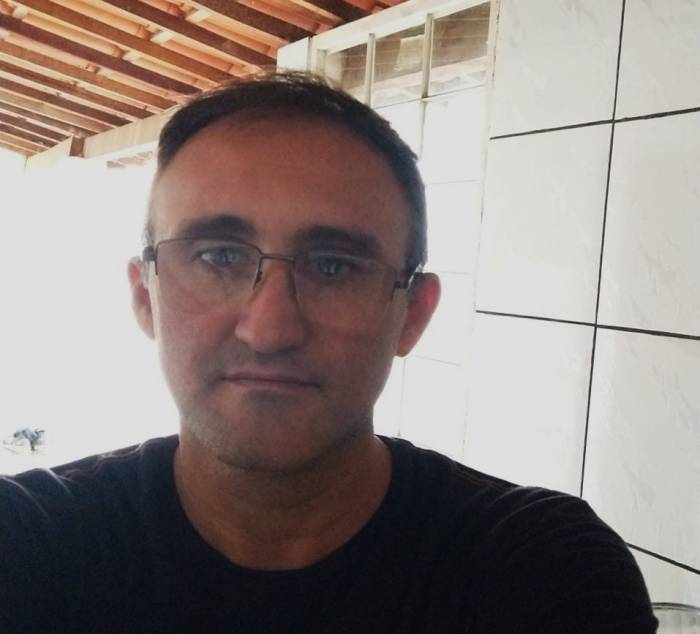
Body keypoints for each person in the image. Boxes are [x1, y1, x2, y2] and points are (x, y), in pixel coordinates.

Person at [0, 72, 657, 633]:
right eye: (219, 257)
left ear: (412, 315)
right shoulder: (31, 545)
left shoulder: (538, 570)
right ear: (146, 296)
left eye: (335, 266)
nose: (269, 329)